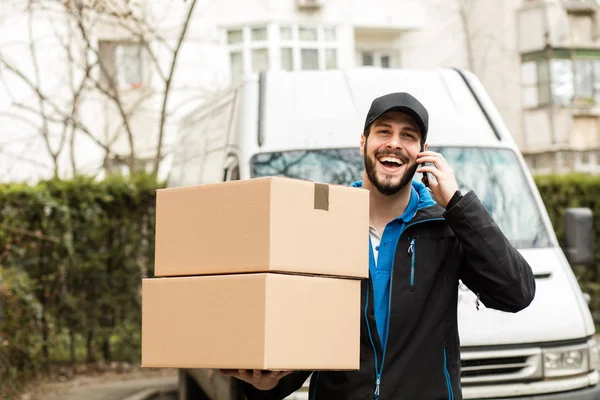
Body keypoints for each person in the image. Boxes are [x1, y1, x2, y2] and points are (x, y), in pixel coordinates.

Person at [220, 92, 536, 399]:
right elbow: (305, 330)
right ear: (363, 142)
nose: (394, 143)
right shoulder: (324, 225)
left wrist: (457, 203)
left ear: (422, 151)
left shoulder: (446, 227)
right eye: (383, 131)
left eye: (408, 135)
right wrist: (266, 387)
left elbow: (516, 292)